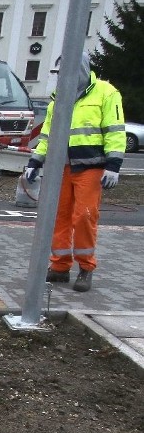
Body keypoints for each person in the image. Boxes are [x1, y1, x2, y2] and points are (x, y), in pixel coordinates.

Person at [24, 52, 125, 292]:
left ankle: (85, 267)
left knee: (84, 216)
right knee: (58, 217)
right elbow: (47, 136)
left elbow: (114, 130)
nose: (61, 78)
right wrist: (35, 161)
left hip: (90, 166)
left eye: (64, 73)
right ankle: (60, 266)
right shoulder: (57, 101)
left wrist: (113, 165)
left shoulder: (106, 93)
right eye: (58, 74)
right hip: (62, 167)